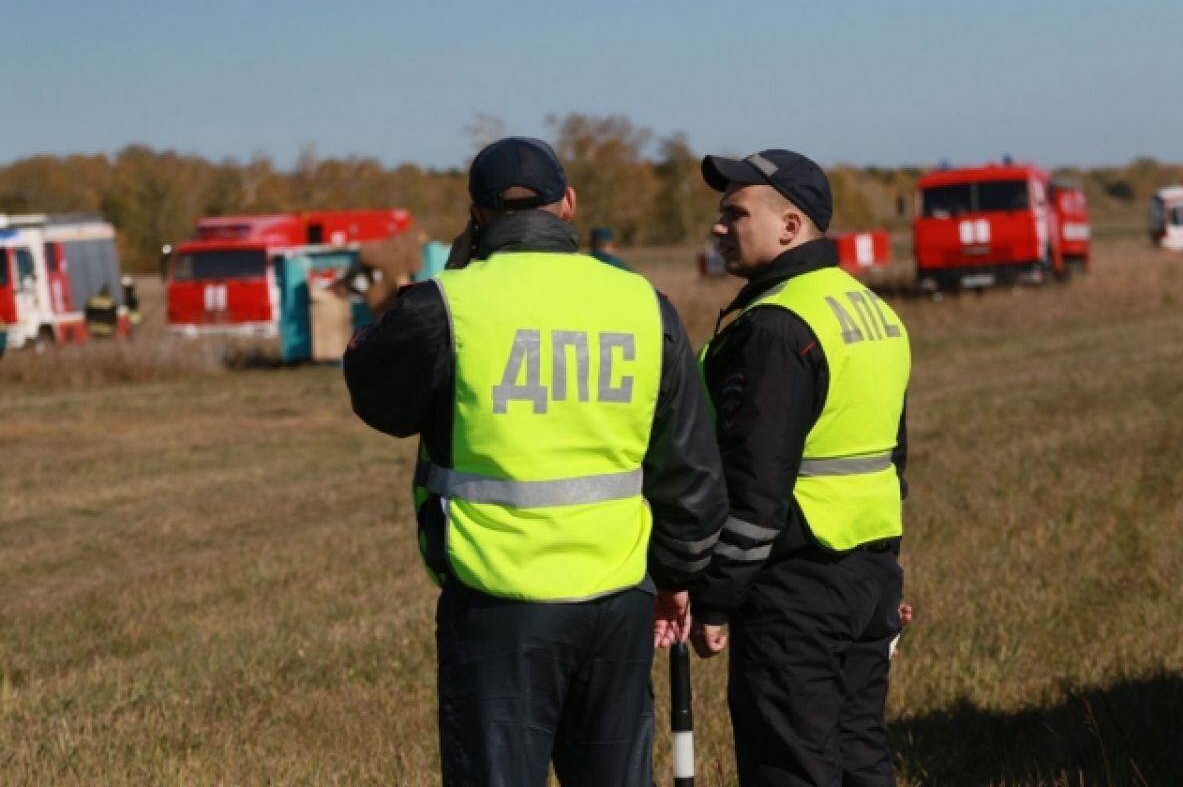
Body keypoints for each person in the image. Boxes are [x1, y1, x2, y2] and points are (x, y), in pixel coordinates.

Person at [343, 136, 727, 786]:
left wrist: (460, 270)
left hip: (498, 605)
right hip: (617, 603)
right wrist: (676, 574)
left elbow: (375, 389)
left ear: (477, 215)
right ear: (569, 204)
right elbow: (690, 471)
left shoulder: (449, 304)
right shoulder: (643, 304)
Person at [688, 149, 912, 786]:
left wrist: (714, 601)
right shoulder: (874, 312)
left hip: (795, 590)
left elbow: (754, 491)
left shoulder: (776, 327)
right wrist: (887, 572)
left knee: (792, 767)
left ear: (790, 227)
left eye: (735, 213)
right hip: (868, 577)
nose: (719, 226)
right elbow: (893, 462)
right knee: (860, 757)